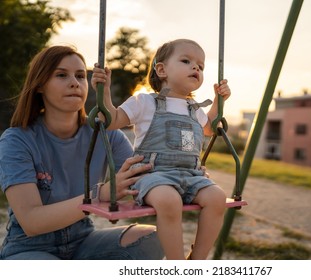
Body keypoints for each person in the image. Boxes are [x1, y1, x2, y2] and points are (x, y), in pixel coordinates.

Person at [0, 45, 164, 260]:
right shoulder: (17, 140)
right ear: (39, 85)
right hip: (30, 247)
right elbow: (31, 221)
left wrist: (183, 173)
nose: (74, 83)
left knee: (150, 238)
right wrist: (100, 195)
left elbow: (142, 175)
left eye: (80, 76)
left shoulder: (106, 134)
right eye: (61, 75)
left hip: (83, 239)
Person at [92, 38, 230, 260]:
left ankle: (197, 260)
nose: (196, 67)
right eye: (186, 61)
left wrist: (219, 101)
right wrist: (104, 92)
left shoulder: (194, 109)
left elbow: (210, 128)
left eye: (201, 66)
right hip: (153, 175)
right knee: (169, 200)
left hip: (191, 175)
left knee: (217, 198)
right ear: (162, 69)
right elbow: (112, 120)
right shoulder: (144, 102)